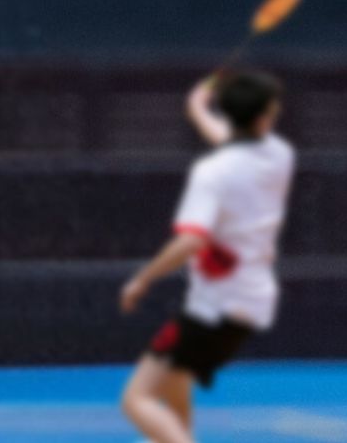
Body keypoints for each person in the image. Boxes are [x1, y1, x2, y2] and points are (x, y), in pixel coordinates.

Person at [118, 71, 295, 443]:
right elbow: (232, 144)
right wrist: (198, 110)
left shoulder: (212, 174)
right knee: (177, 377)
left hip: (214, 307)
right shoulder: (279, 156)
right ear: (265, 117)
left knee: (137, 399)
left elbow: (190, 242)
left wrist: (143, 278)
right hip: (252, 302)